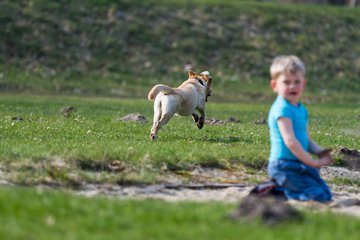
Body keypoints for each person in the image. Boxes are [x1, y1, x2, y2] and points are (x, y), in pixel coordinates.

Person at [267, 55, 333, 202]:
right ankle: (273, 192)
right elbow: (290, 141)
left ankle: (282, 189)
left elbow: (306, 140)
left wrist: (320, 152)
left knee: (325, 193)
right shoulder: (282, 109)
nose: (292, 86)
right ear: (274, 86)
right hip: (284, 166)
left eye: (297, 82)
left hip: (299, 164)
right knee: (317, 196)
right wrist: (312, 162)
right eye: (286, 82)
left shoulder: (301, 109)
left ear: (304, 84)